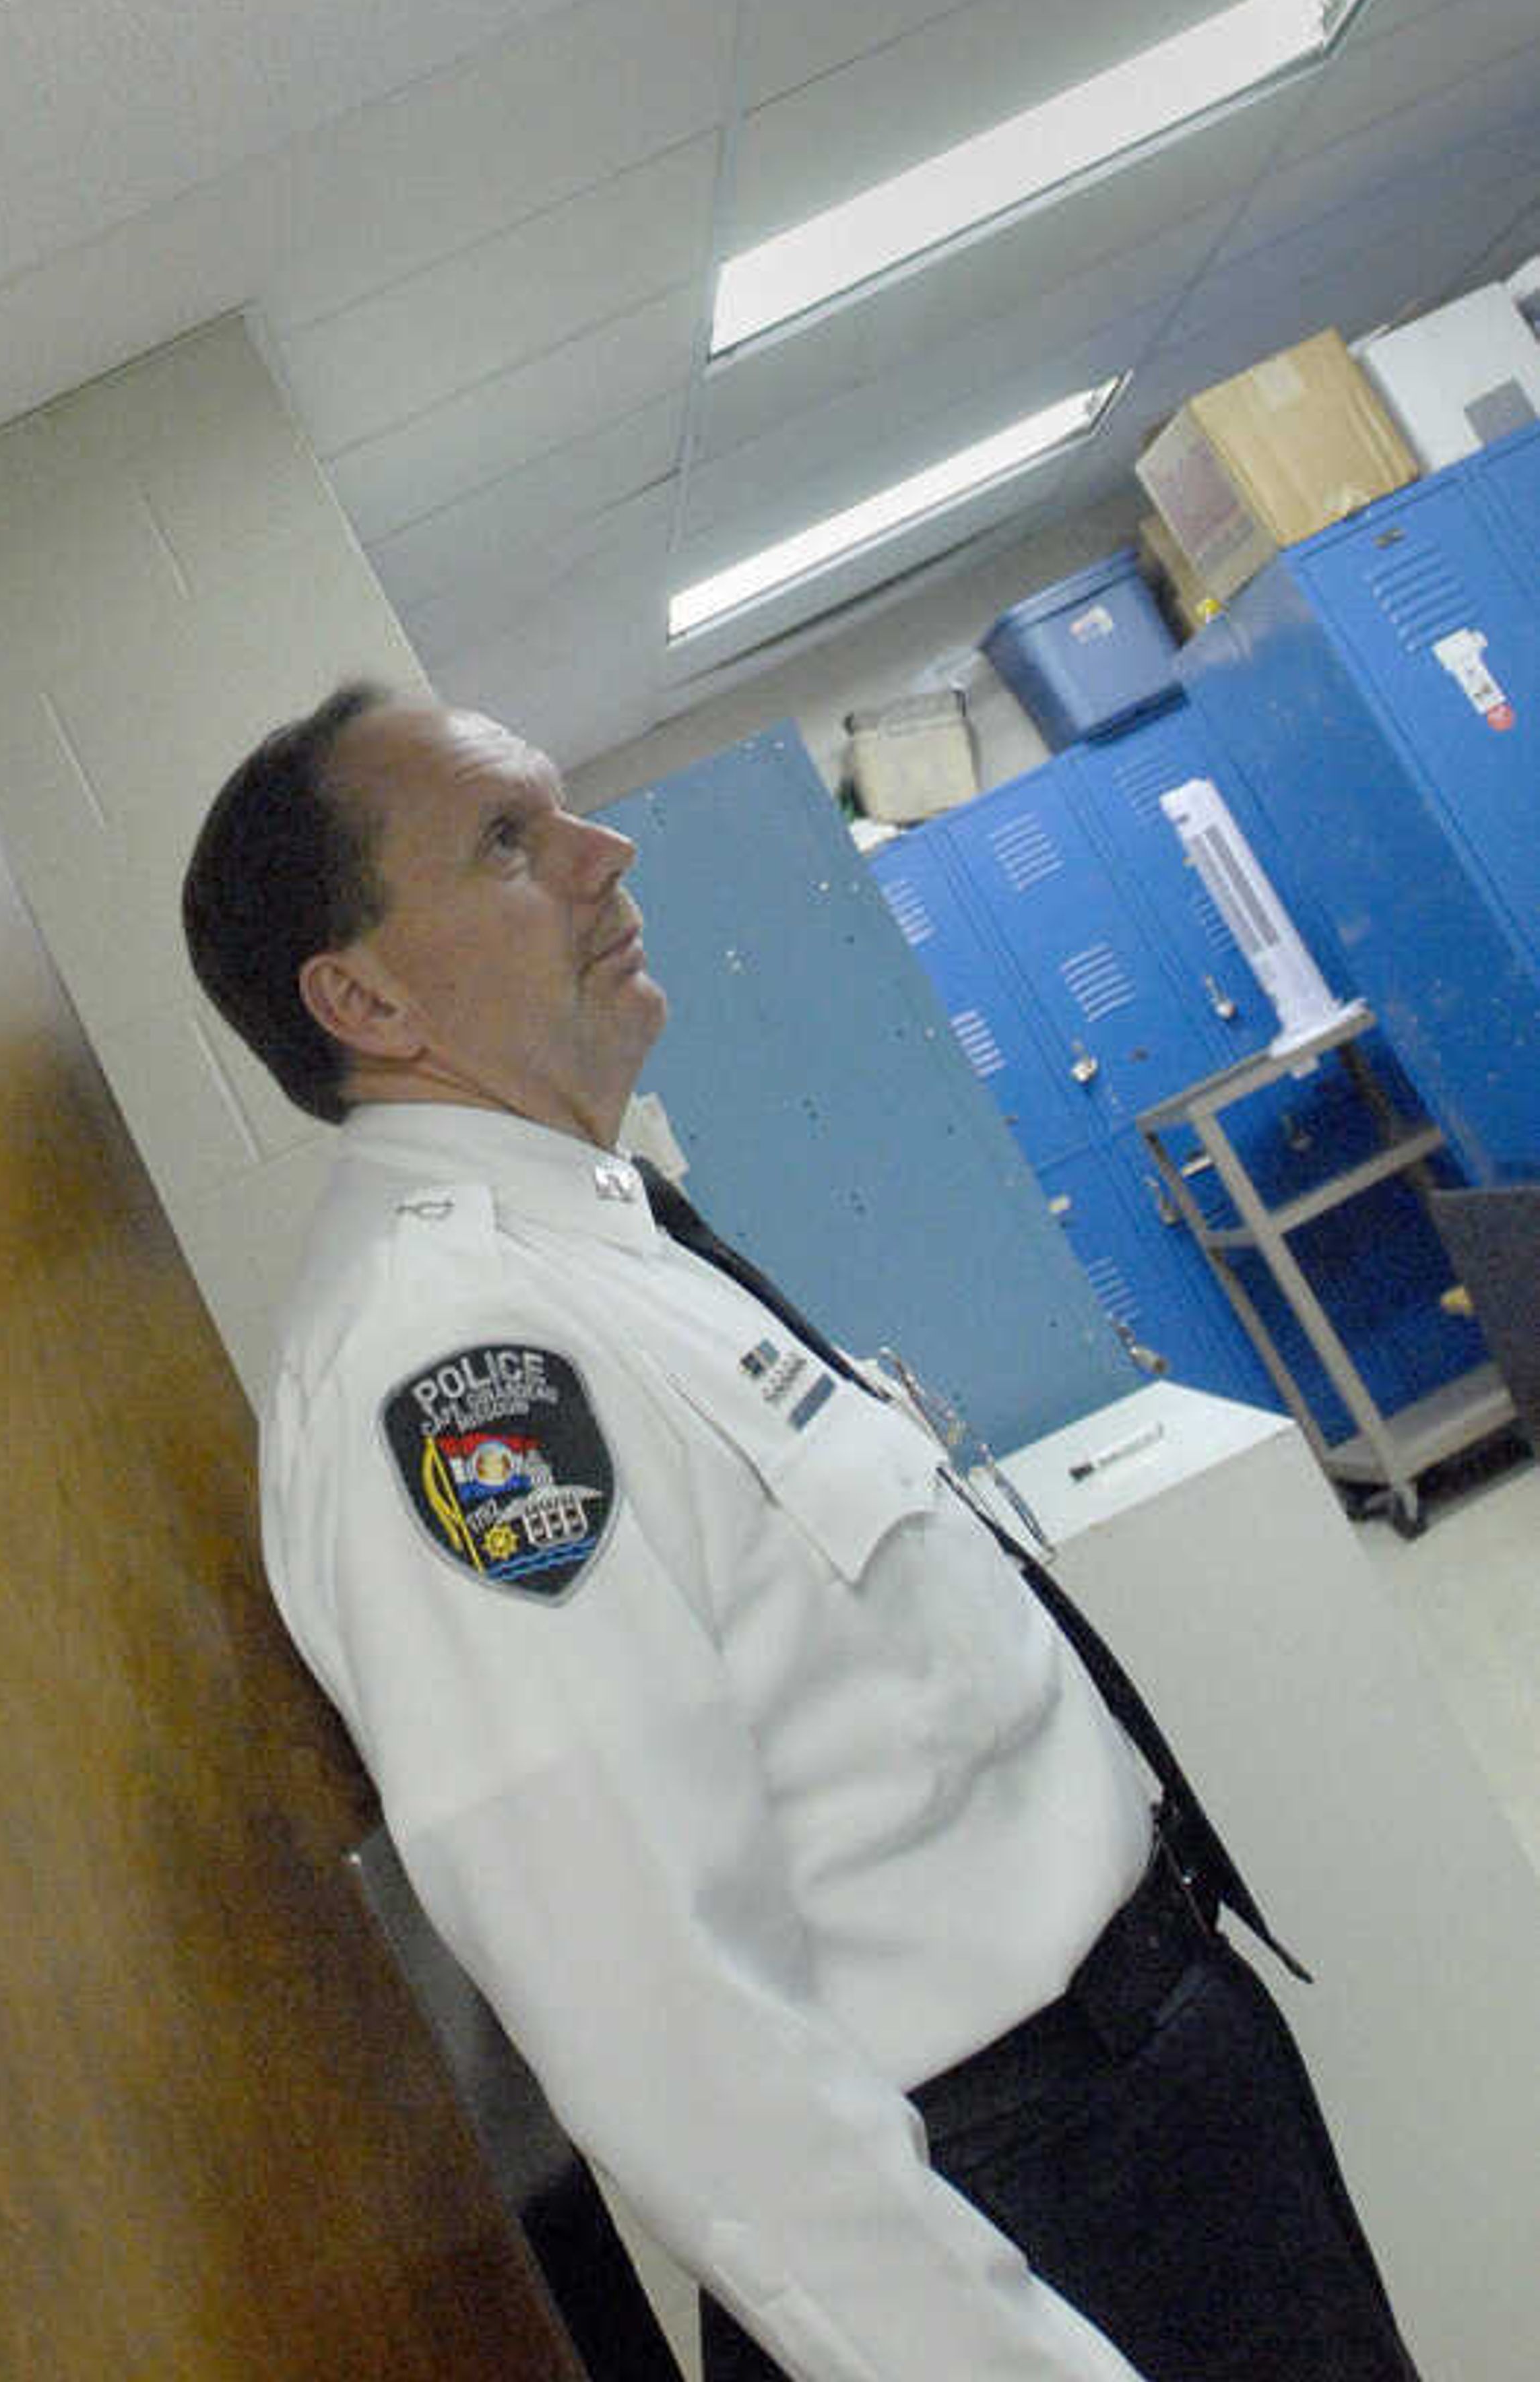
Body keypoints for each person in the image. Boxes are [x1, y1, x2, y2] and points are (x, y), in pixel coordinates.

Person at [182, 681, 1421, 2382]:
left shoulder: (595, 1238)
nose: (607, 851)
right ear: (365, 994)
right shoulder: (453, 1360)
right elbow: (663, 2019)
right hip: (1012, 2201)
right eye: (508, 842)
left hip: (1149, 2102)